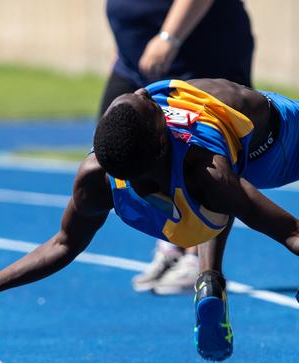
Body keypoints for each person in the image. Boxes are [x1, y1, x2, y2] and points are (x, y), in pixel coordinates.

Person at [0, 79, 299, 362]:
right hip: (275, 140)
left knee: (219, 186)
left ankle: (209, 281)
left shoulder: (97, 173)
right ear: (162, 138)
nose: (143, 93)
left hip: (165, 204)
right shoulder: (203, 165)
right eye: (151, 108)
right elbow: (293, 231)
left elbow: (61, 245)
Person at [100, 0, 255, 294]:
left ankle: (199, 259)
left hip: (196, 53)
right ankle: (171, 243)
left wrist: (169, 36)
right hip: (135, 62)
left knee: (198, 156)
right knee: (119, 145)